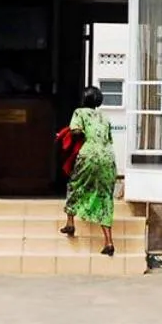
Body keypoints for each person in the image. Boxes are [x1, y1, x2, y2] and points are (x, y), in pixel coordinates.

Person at [59, 87, 117, 256]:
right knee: (105, 196)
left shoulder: (79, 112)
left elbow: (76, 130)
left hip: (89, 154)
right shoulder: (105, 118)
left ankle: (70, 222)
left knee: (75, 184)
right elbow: (108, 139)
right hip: (108, 157)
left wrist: (76, 135)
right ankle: (109, 241)